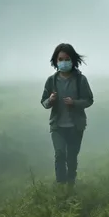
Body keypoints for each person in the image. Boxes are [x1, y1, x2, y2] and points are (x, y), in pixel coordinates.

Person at [40, 43, 94, 187]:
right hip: (57, 125)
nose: (63, 62)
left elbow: (89, 100)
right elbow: (43, 102)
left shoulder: (80, 80)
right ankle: (60, 185)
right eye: (60, 59)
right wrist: (50, 100)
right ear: (56, 61)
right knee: (59, 154)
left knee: (71, 157)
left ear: (73, 60)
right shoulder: (51, 81)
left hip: (76, 126)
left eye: (67, 58)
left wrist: (75, 103)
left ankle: (71, 183)